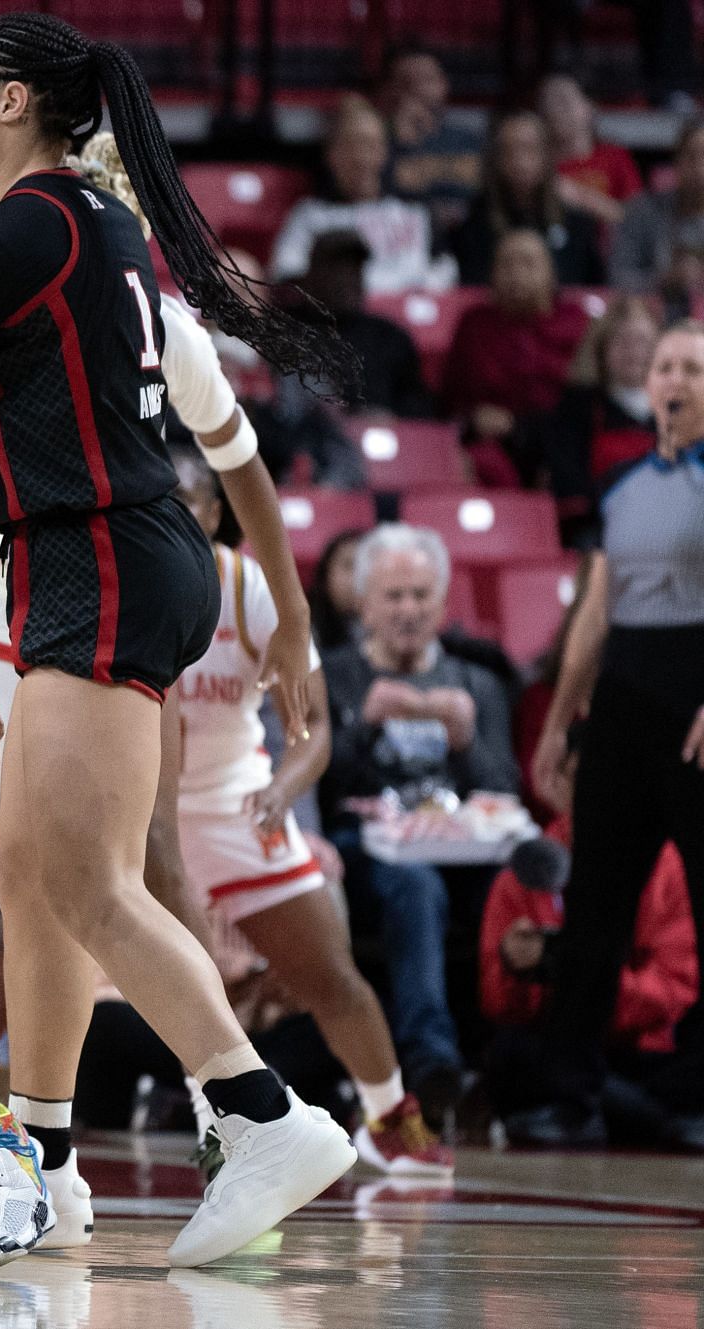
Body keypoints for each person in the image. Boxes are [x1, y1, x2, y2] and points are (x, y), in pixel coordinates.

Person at [0, 14, 358, 1269]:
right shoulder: (105, 227)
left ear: (18, 104)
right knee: (31, 870)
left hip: (98, 558)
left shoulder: (12, 235)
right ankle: (46, 1164)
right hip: (105, 556)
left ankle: (262, 1116)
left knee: (88, 881)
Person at [168, 446, 452, 1175]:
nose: (174, 515)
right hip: (146, 808)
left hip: (238, 802)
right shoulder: (126, 583)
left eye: (190, 502)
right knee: (45, 947)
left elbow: (316, 725)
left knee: (330, 973)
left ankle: (389, 1116)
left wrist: (284, 788)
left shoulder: (249, 588)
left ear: (211, 511)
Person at [530, 320, 704, 1151]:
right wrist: (562, 720)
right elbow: (596, 611)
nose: (676, 378)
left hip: (696, 699)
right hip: (625, 702)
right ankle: (571, 1093)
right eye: (667, 365)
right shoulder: (624, 481)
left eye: (694, 368)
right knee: (596, 902)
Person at [320, 524, 520, 1115]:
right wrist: (361, 731)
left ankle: (517, 1062)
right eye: (393, 596)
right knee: (415, 887)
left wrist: (467, 744)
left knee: (514, 888)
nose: (408, 610)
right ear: (365, 603)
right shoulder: (332, 676)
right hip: (366, 849)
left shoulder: (477, 681)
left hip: (460, 848)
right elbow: (317, 788)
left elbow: (504, 789)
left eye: (420, 595)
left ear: (443, 602)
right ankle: (431, 1059)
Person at [481, 774, 697, 1144]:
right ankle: (647, 1119)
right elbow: (498, 1005)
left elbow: (672, 991)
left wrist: (570, 972)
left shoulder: (667, 867)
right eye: (578, 778)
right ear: (557, 782)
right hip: (556, 1045)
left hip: (639, 1051)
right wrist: (515, 967)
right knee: (509, 1056)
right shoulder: (530, 867)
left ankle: (629, 1111)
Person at [442, 229, 591, 486]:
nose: (516, 274)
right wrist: (472, 418)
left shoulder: (577, 322)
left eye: (528, 263)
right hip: (492, 444)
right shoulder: (474, 324)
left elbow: (588, 400)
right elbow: (449, 400)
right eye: (506, 264)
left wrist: (522, 426)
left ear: (551, 273)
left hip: (559, 443)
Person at [270, 97, 457, 296]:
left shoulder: (416, 211)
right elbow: (286, 274)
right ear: (331, 154)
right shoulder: (310, 216)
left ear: (384, 151)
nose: (361, 158)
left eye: (370, 145)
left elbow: (445, 268)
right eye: (351, 146)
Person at [534, 294, 661, 549]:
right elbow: (571, 484)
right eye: (623, 342)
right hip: (601, 531)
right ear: (602, 350)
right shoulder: (578, 407)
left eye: (643, 342)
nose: (635, 353)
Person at [287, 230, 435, 419]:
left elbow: (418, 407)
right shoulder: (286, 331)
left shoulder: (390, 338)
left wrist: (391, 419)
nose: (348, 278)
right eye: (337, 270)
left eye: (355, 268)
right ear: (312, 274)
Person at [450, 111, 605, 288]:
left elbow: (593, 291)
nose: (519, 161)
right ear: (496, 160)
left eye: (528, 149)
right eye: (509, 151)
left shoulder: (577, 224)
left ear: (547, 155)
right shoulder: (474, 225)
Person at [377, 46, 483, 232]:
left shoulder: (469, 140)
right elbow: (375, 204)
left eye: (427, 80)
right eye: (407, 83)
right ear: (390, 90)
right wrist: (402, 144)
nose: (418, 90)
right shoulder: (379, 144)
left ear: (444, 84)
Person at [538, 74, 643, 229]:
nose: (554, 111)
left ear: (588, 107)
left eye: (563, 102)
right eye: (548, 104)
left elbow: (637, 220)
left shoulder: (615, 156)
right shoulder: (539, 164)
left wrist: (577, 196)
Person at [612, 120, 704, 294]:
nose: (699, 169)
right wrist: (664, 280)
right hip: (654, 315)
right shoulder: (642, 211)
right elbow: (618, 278)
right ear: (677, 162)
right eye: (691, 156)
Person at [306, 528, 367, 654]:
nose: (357, 577)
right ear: (326, 574)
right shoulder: (305, 627)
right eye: (348, 565)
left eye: (364, 567)